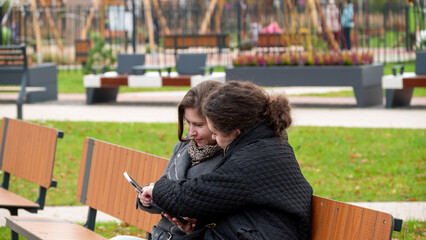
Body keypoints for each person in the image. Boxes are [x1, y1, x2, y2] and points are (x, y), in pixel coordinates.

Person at [141, 81, 313, 239]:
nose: (214, 138)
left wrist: (157, 189)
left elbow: (193, 195)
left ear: (235, 132)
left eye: (215, 133)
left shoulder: (251, 160)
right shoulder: (265, 144)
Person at [110, 80, 224, 240]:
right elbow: (164, 186)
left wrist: (195, 228)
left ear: (218, 121)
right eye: (187, 123)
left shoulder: (228, 157)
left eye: (198, 125)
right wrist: (147, 198)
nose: (191, 132)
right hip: (160, 235)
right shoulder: (184, 147)